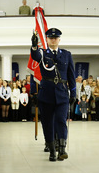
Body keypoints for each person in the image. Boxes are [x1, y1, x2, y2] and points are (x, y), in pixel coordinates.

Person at [31, 28, 76, 162]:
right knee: (47, 123)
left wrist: (73, 92)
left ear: (59, 39)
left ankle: (62, 149)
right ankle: (51, 150)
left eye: (56, 38)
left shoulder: (67, 54)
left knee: (61, 120)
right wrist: (34, 46)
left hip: (62, 94)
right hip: (46, 95)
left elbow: (71, 75)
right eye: (51, 38)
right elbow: (35, 56)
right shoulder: (43, 54)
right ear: (47, 40)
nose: (53, 40)